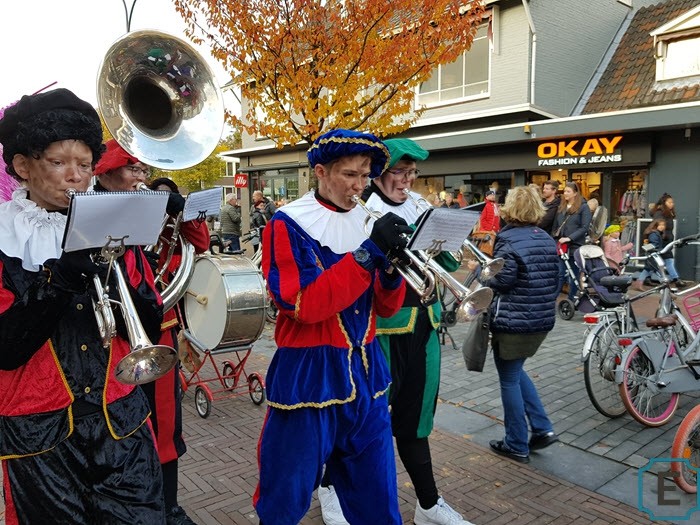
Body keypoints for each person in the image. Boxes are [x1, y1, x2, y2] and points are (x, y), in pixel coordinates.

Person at [0, 89, 166, 523]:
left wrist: (131, 259)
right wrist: (60, 278)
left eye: (85, 164)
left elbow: (148, 325)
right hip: (40, 436)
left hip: (120, 421)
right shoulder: (3, 236)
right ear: (22, 166)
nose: (76, 176)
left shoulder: (111, 225)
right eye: (58, 162)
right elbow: (7, 348)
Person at [254, 129, 411, 524]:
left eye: (364, 175)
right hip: (310, 377)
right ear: (321, 172)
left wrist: (391, 271)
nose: (359, 186)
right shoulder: (287, 224)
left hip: (368, 376)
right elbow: (303, 304)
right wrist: (366, 256)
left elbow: (387, 309)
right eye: (348, 175)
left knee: (378, 498)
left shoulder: (368, 222)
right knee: (285, 497)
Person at [322, 138, 469, 525]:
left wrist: (447, 235)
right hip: (379, 330)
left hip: (424, 324)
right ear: (381, 173)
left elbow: (449, 263)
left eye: (412, 172)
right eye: (400, 172)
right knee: (359, 418)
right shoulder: (360, 208)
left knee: (415, 418)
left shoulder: (421, 206)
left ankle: (428, 503)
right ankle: (330, 487)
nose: (407, 180)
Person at [94, 139, 210, 525]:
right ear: (107, 172)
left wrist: (186, 214)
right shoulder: (91, 210)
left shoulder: (145, 208)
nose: (142, 178)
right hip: (109, 337)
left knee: (165, 424)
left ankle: (169, 506)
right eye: (134, 169)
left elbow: (200, 245)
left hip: (157, 330)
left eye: (144, 170)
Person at [480, 186, 560, 463]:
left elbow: (504, 280)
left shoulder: (508, 238)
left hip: (513, 320)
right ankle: (542, 428)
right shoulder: (546, 238)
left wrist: (484, 276)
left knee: (509, 378)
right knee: (516, 371)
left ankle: (516, 442)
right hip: (540, 320)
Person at [552, 182, 592, 300]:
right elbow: (556, 225)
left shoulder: (583, 207)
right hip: (561, 245)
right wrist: (555, 237)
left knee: (573, 273)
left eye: (568, 191)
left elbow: (584, 227)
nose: (565, 194)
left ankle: (572, 298)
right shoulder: (562, 207)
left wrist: (570, 238)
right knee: (560, 272)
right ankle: (553, 297)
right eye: (564, 191)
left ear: (575, 193)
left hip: (575, 245)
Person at [651, 193, 686, 287]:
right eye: (670, 202)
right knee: (667, 259)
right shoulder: (660, 213)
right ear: (664, 203)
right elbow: (659, 226)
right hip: (662, 240)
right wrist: (662, 237)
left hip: (667, 240)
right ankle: (676, 279)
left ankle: (646, 278)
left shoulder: (667, 213)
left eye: (672, 202)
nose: (672, 204)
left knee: (660, 261)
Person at [632, 219, 667, 291]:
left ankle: (638, 283)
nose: (662, 227)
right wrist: (659, 250)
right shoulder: (654, 234)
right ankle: (665, 287)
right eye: (660, 225)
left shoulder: (657, 233)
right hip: (653, 255)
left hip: (653, 254)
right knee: (658, 270)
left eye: (663, 225)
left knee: (648, 269)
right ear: (655, 226)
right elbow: (653, 245)